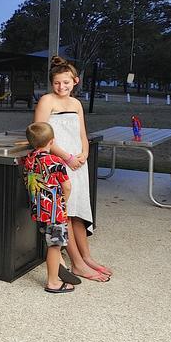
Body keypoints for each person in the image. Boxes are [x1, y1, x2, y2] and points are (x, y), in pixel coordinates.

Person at [34, 55, 112, 282]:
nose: (61, 87)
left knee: (78, 211)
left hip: (78, 163)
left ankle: (87, 257)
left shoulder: (77, 104)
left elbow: (82, 134)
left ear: (75, 81)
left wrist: (84, 154)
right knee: (65, 212)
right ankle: (76, 263)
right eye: (57, 83)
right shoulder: (47, 101)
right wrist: (67, 157)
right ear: (52, 83)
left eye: (66, 82)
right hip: (59, 162)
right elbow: (41, 135)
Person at [22, 122, 76, 294]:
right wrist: (63, 203)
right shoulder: (56, 161)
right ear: (52, 141)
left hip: (38, 209)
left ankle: (59, 270)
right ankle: (53, 282)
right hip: (54, 211)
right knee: (55, 246)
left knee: (51, 241)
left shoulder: (29, 159)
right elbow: (66, 186)